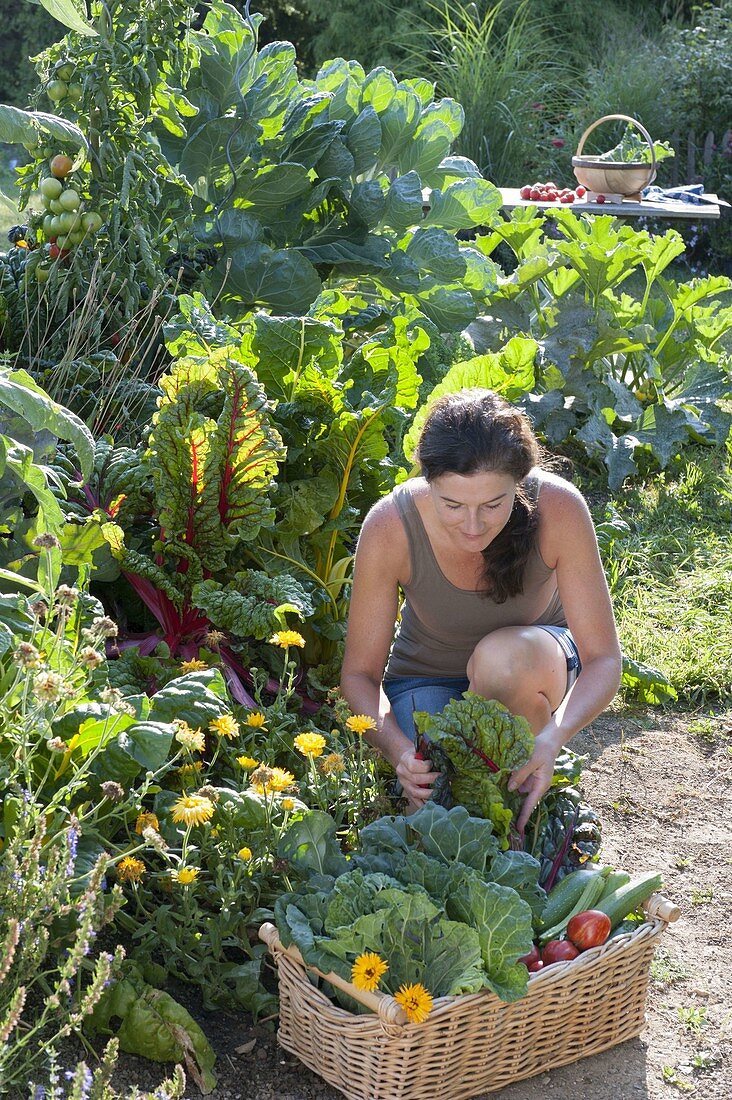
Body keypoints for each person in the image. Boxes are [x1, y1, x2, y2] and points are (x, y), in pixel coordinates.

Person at [340, 388, 622, 832]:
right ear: (427, 482)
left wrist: (554, 739)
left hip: (532, 664)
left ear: (520, 482)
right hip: (426, 677)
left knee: (502, 662)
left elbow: (604, 659)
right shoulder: (390, 525)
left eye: (494, 504)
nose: (473, 526)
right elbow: (359, 675)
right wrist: (398, 752)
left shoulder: (559, 507)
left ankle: (531, 779)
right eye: (453, 505)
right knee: (439, 814)